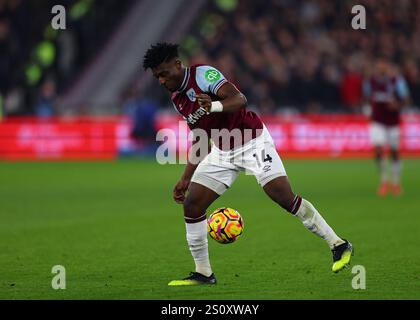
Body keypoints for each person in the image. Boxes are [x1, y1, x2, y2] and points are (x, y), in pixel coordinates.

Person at [143, 43, 353, 286]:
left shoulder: (203, 75)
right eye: (157, 76)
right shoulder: (177, 99)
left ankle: (338, 244)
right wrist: (185, 178)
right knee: (192, 205)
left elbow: (239, 99)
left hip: (252, 141)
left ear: (177, 65)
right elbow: (201, 138)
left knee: (282, 196)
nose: (161, 80)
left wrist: (215, 105)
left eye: (163, 73)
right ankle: (203, 273)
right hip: (223, 151)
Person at [363, 58, 410, 196]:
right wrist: (366, 109)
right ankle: (384, 180)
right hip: (377, 121)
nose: (381, 67)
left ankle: (395, 182)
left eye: (383, 65)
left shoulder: (397, 81)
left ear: (387, 66)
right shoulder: (370, 82)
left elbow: (406, 99)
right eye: (379, 65)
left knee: (394, 152)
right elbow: (366, 97)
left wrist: (398, 105)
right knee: (378, 149)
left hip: (392, 122)